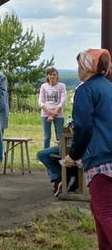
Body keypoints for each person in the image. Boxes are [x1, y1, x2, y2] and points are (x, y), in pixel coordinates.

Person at [64, 49, 112, 249]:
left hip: (100, 159)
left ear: (86, 67)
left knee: (105, 211)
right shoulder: (109, 87)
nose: (77, 70)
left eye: (79, 65)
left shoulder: (85, 90)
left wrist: (73, 154)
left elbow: (83, 127)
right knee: (99, 209)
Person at [39, 67, 67, 149]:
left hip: (58, 113)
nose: (52, 76)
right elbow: (41, 101)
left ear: (57, 76)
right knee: (46, 136)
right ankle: (45, 152)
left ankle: (60, 153)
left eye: (54, 74)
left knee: (59, 135)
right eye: (50, 74)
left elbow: (63, 101)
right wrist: (50, 112)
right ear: (47, 76)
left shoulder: (61, 86)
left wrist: (54, 114)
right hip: (45, 114)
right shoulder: (44, 86)